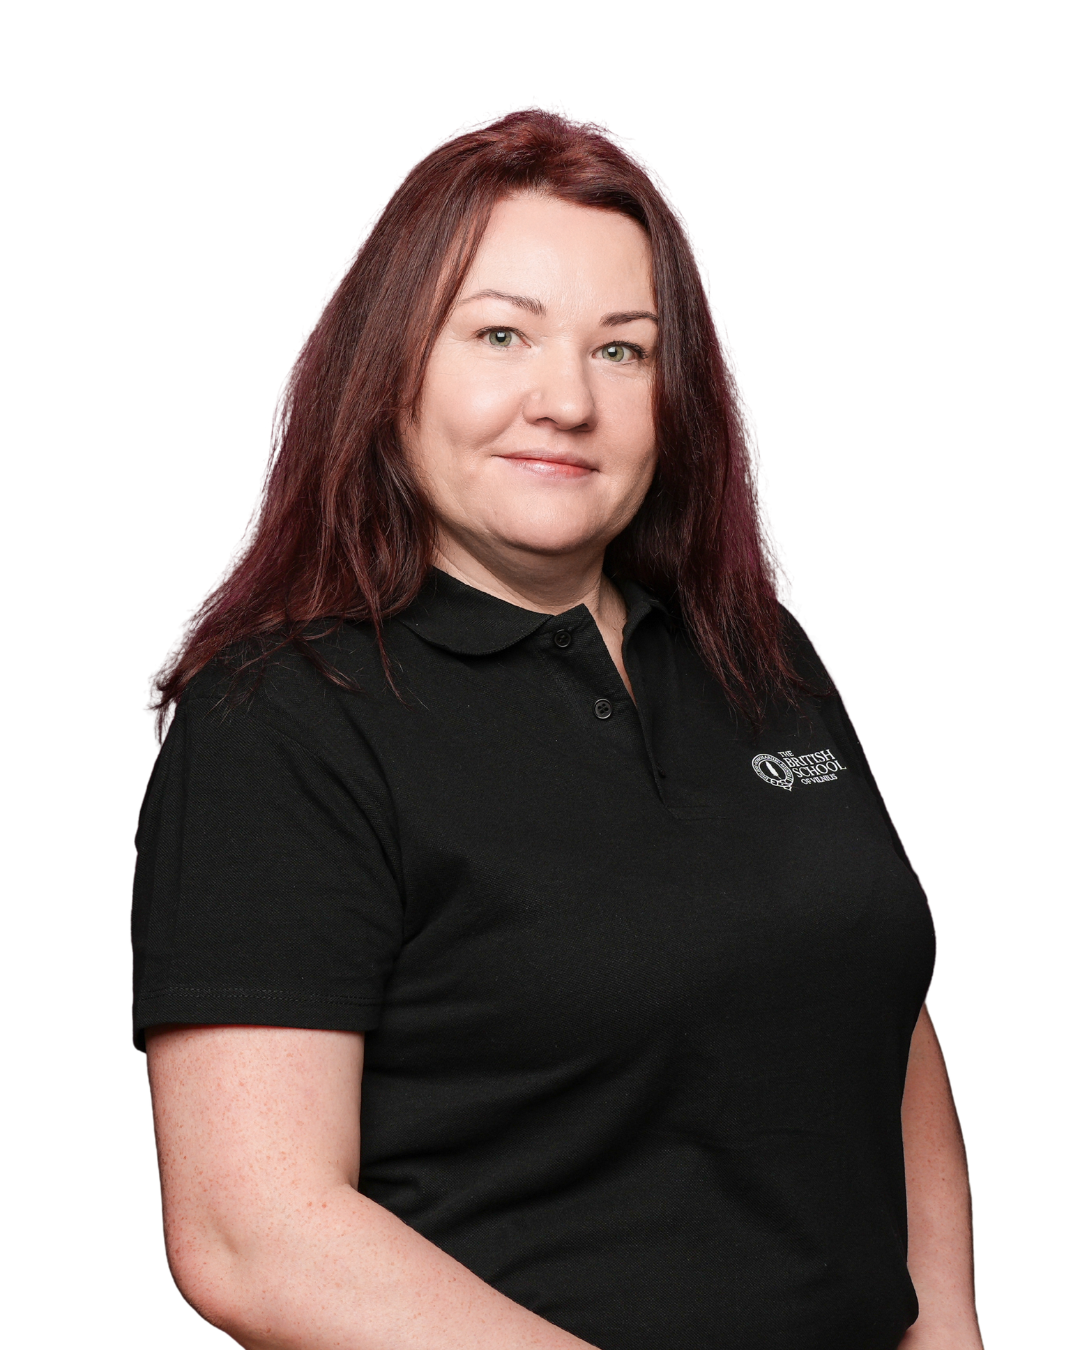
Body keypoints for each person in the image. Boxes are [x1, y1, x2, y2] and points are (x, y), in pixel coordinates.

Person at [133, 110, 982, 1350]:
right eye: (501, 335)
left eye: (622, 350)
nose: (567, 400)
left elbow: (871, 1003)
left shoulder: (756, 652)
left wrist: (946, 1331)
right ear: (393, 371)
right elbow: (254, 1233)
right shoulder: (283, 721)